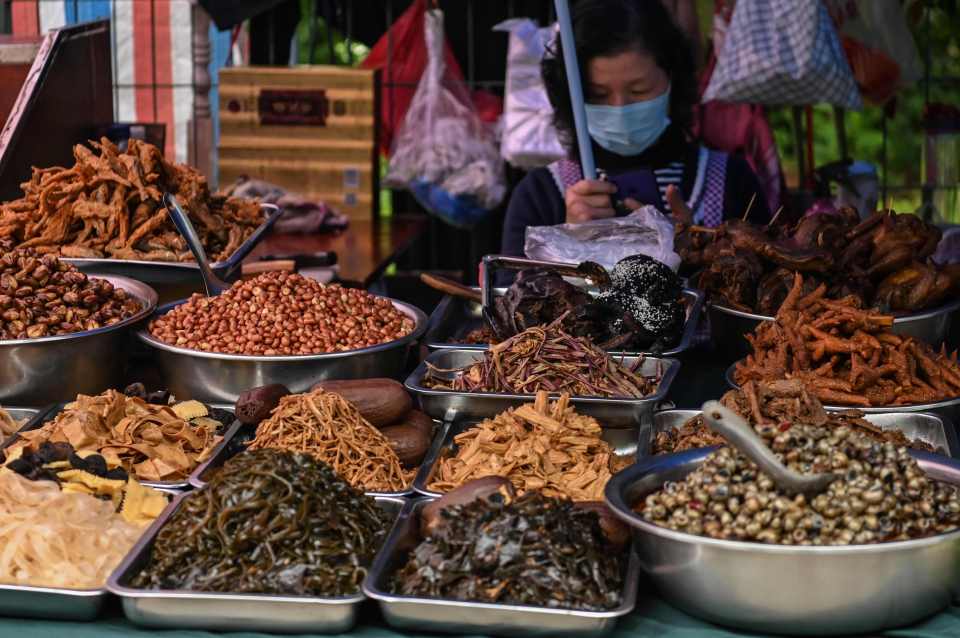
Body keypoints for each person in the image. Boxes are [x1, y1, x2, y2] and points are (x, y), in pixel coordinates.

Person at [500, 0, 770, 258]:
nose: (620, 107)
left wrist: (693, 250)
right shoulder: (541, 195)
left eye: (639, 90)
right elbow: (510, 294)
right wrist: (570, 247)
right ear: (570, 96)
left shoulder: (731, 180)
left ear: (673, 79)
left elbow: (770, 290)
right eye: (598, 95)